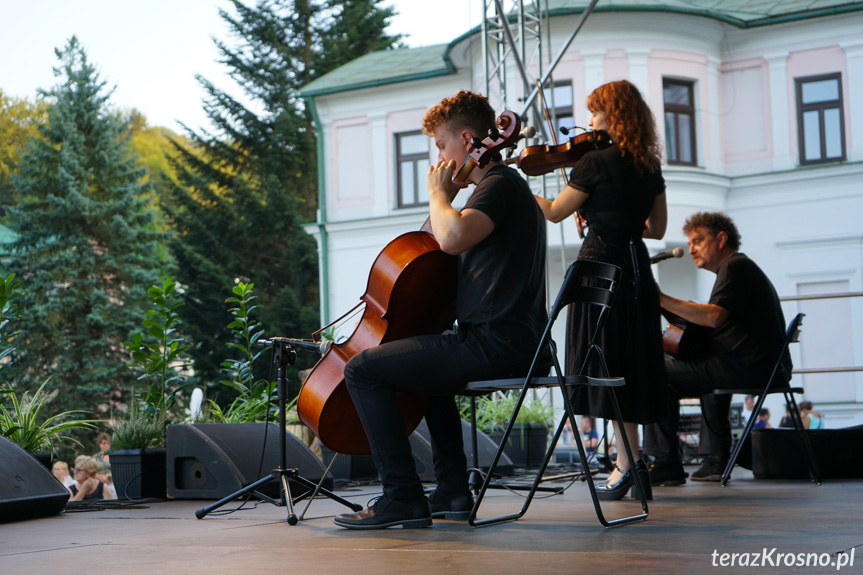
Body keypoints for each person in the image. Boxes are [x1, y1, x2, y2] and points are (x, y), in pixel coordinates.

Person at [333, 90, 549, 529]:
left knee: (362, 370)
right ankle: (452, 490)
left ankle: (402, 496)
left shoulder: (500, 185)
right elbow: (438, 245)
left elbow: (450, 240)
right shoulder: (491, 191)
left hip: (497, 343)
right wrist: (446, 199)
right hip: (503, 339)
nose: (436, 158)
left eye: (439, 145)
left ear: (467, 140)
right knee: (423, 370)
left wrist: (437, 195)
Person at [533, 79, 668, 500]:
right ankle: (631, 463)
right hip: (637, 268)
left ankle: (625, 465)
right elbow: (657, 228)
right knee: (632, 362)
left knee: (605, 362)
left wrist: (524, 190)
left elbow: (555, 213)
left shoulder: (594, 163)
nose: (589, 120)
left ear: (613, 114)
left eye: (595, 111)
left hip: (600, 266)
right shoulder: (648, 165)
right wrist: (619, 210)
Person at [644, 212, 791, 484]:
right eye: (689, 244)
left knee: (656, 371)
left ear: (721, 239)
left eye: (698, 241)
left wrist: (661, 298)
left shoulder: (735, 266)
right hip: (760, 366)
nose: (691, 249)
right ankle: (715, 459)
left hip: (749, 367)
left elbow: (714, 317)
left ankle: (663, 462)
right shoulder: (735, 269)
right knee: (697, 366)